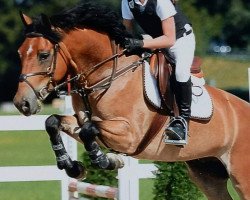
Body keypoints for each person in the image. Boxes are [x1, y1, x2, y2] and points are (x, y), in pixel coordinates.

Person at [121, 0, 195, 145]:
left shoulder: (161, 1)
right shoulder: (127, 2)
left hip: (180, 40)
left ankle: (183, 122)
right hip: (155, 41)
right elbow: (126, 30)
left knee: (180, 72)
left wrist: (140, 43)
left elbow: (170, 39)